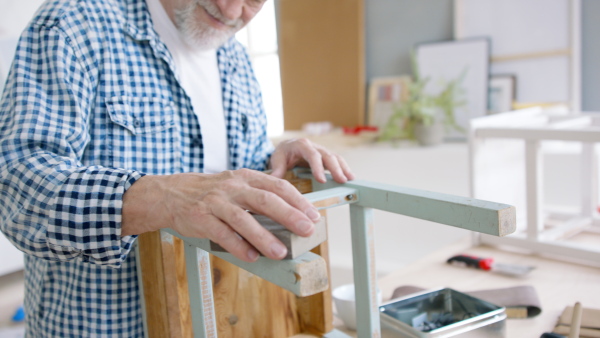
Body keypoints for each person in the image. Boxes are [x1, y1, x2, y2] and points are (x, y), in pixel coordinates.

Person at [0, 0, 354, 335]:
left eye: (254, 1)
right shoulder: (73, 24)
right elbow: (18, 190)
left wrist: (274, 160)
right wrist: (164, 198)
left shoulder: (238, 60)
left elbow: (231, 179)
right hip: (103, 325)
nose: (231, 10)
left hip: (217, 318)